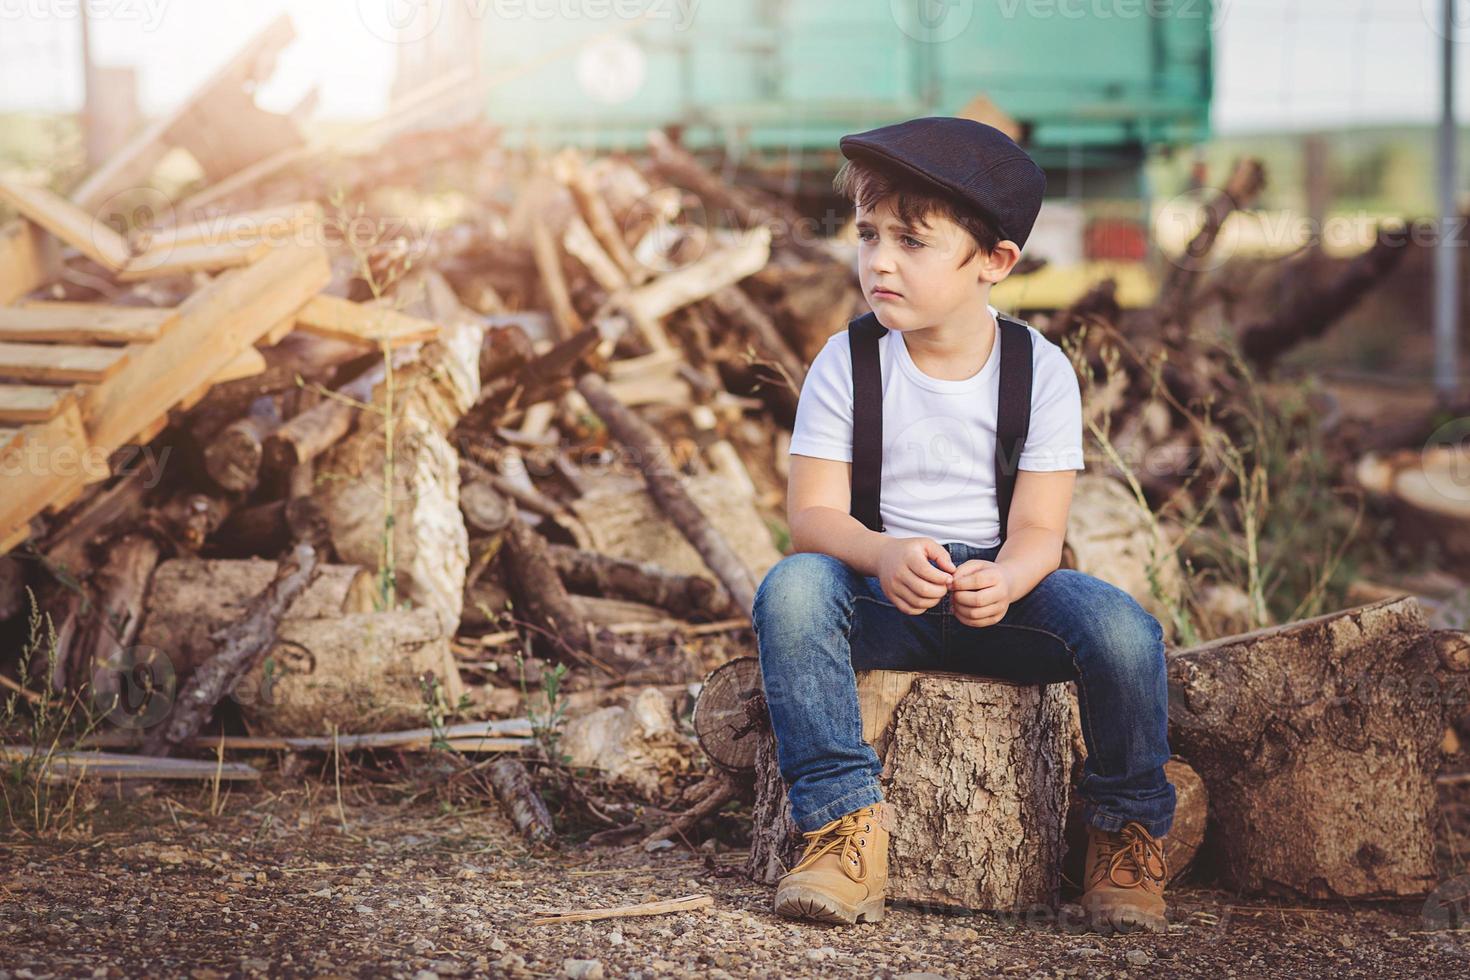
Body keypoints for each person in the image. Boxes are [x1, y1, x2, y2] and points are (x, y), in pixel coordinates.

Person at [751, 116, 1175, 935]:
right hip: (878, 591)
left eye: (913, 241)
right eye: (868, 234)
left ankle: (1124, 831)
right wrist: (880, 553)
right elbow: (811, 517)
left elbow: (1040, 533)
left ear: (995, 262)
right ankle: (842, 826)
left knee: (1123, 631)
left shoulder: (1038, 370)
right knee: (793, 589)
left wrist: (1008, 580)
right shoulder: (847, 362)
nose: (878, 260)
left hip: (1003, 598)